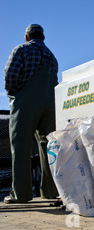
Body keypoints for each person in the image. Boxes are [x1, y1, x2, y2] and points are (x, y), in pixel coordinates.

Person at [3, 24, 59, 203]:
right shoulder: (52, 57)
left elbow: (10, 77)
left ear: (27, 36)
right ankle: (50, 191)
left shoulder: (21, 49)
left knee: (21, 147)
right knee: (48, 147)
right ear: (43, 37)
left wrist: (17, 94)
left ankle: (21, 194)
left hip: (26, 104)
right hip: (50, 106)